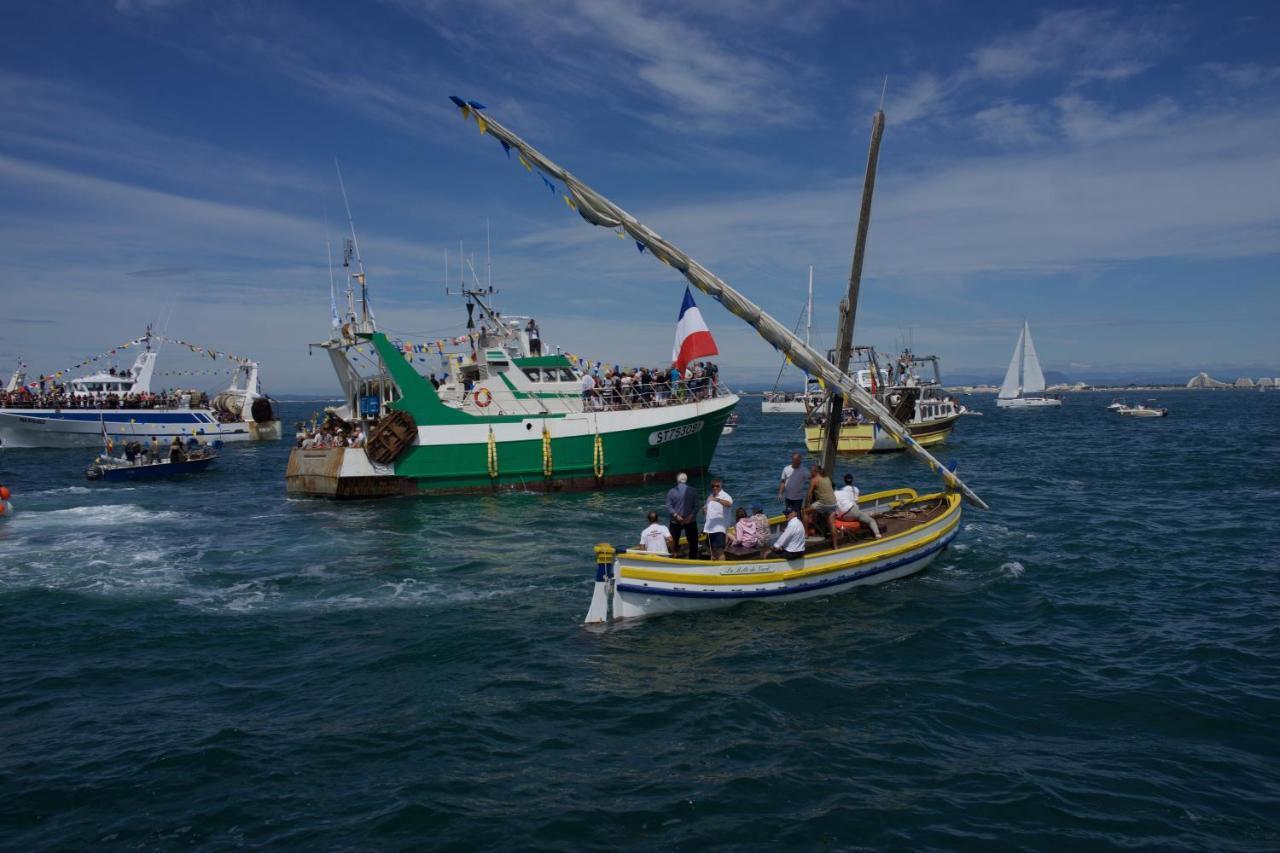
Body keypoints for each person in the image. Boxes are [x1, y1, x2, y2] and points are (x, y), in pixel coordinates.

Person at [833, 473, 882, 542]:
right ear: (852, 480)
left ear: (844, 481)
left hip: (843, 516)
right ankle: (877, 534)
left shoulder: (842, 490)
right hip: (853, 510)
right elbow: (854, 502)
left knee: (858, 517)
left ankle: (868, 515)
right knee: (871, 520)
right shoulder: (854, 489)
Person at [666, 472, 699, 559]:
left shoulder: (671, 491)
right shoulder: (693, 491)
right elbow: (696, 506)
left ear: (677, 480)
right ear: (686, 480)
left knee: (674, 542)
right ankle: (693, 559)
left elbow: (669, 507)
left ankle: (674, 558)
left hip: (676, 521)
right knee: (693, 543)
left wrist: (677, 516)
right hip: (690, 521)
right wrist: (690, 517)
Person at [702, 478, 733, 560]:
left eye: (717, 486)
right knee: (708, 548)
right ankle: (714, 563)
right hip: (709, 527)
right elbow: (706, 508)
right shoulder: (710, 496)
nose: (715, 488)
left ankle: (722, 566)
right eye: (713, 486)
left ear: (720, 486)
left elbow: (729, 503)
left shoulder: (725, 495)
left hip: (719, 527)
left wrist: (717, 500)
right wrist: (704, 510)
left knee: (719, 550)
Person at [808, 465, 839, 535]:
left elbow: (809, 495)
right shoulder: (827, 478)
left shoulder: (814, 480)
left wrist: (809, 505)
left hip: (824, 503)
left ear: (815, 472)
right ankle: (835, 545)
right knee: (831, 522)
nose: (810, 472)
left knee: (805, 512)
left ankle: (805, 535)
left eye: (811, 471)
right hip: (833, 503)